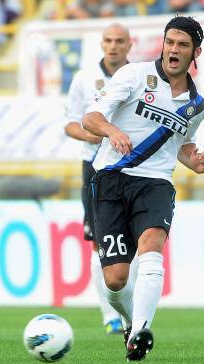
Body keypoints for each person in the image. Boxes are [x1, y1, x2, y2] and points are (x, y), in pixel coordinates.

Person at [82, 16, 204, 361]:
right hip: (111, 178)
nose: (174, 50)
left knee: (153, 244)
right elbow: (90, 118)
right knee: (115, 281)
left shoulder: (196, 105)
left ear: (195, 53)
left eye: (183, 45)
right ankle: (130, 322)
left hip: (155, 183)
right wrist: (112, 131)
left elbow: (182, 145)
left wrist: (194, 160)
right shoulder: (133, 75)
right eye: (170, 42)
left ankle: (140, 332)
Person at [64, 23, 132, 335]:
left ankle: (130, 313)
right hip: (94, 167)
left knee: (133, 244)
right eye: (108, 40)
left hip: (130, 166)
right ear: (102, 44)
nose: (113, 45)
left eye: (119, 40)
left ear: (129, 45)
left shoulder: (139, 76)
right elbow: (70, 123)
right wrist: (93, 136)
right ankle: (110, 316)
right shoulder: (84, 78)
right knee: (98, 243)